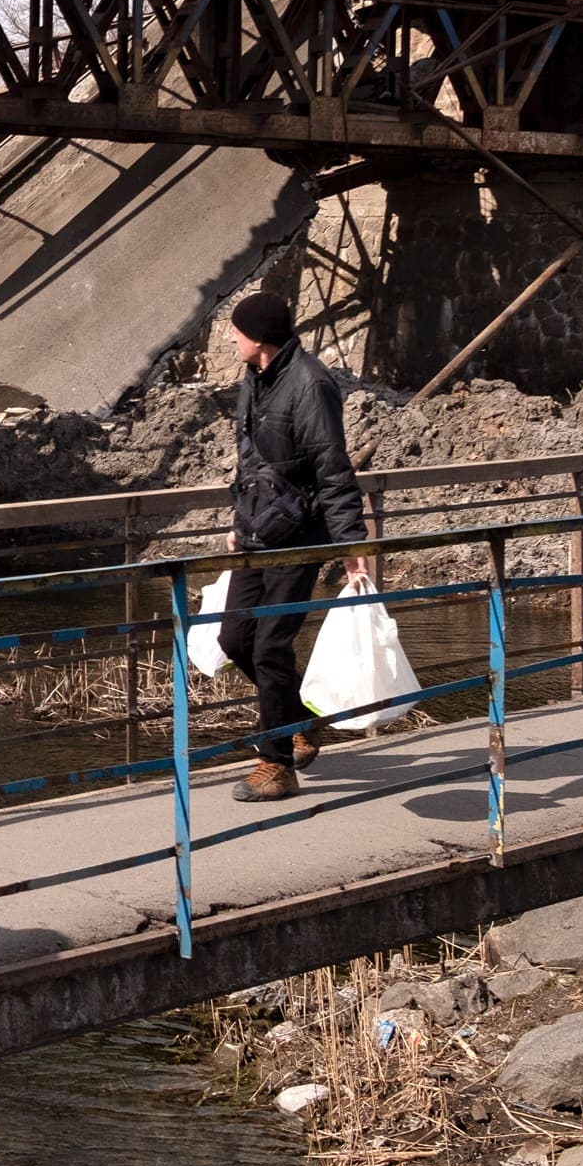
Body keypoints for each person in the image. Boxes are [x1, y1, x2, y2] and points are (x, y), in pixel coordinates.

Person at [219, 290, 367, 804]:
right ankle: (298, 720)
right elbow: (249, 463)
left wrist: (351, 543)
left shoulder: (311, 384)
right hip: (258, 533)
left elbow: (332, 465)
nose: (231, 337)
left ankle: (276, 764)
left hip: (300, 537)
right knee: (235, 640)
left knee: (270, 645)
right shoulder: (255, 381)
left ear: (258, 336)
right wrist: (240, 521)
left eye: (237, 330)